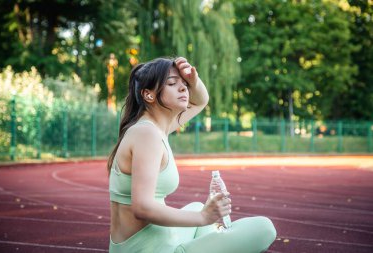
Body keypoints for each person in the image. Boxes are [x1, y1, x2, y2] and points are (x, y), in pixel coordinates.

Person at [107, 57, 276, 253]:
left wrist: (193, 79)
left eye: (184, 85)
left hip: (156, 242)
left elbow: (201, 100)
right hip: (151, 250)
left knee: (196, 206)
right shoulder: (147, 134)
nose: (183, 89)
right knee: (264, 228)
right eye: (172, 83)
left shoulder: (157, 128)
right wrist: (204, 217)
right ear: (149, 95)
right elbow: (142, 207)